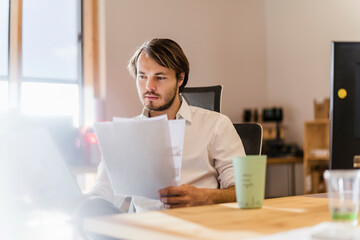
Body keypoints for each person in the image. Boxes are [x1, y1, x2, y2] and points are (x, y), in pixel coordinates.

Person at [74, 38, 245, 238]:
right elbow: (102, 193)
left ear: (180, 79)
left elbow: (243, 190)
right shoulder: (127, 133)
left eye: (160, 77)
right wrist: (77, 201)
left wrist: (205, 197)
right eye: (142, 76)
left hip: (197, 230)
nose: (149, 87)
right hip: (145, 232)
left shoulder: (216, 125)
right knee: (87, 211)